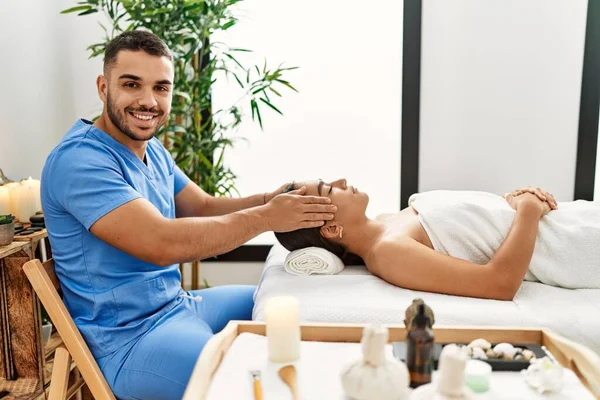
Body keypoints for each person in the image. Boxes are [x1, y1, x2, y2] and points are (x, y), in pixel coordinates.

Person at [41, 31, 336, 400]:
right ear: (103, 87)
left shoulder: (150, 148)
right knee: (245, 378)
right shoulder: (80, 161)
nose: (148, 101)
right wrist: (266, 218)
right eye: (132, 84)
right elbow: (161, 243)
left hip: (181, 305)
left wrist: (268, 198)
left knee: (291, 304)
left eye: (161, 88)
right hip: (131, 339)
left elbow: (202, 207)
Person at [275, 179, 600, 300]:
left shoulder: (390, 221)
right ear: (331, 230)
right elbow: (498, 284)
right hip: (576, 247)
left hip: (573, 219)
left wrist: (517, 197)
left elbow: (476, 225)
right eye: (329, 189)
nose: (341, 180)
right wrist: (527, 210)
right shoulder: (388, 253)